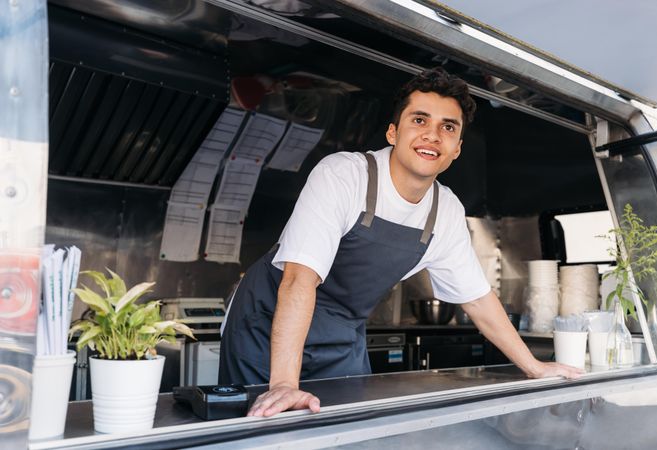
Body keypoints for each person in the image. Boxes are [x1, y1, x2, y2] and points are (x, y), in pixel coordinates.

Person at [219, 67, 583, 418]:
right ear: (393, 133)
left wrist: (535, 367)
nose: (432, 135)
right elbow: (299, 280)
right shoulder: (344, 175)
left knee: (348, 434)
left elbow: (477, 298)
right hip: (266, 328)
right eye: (419, 120)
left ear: (456, 148)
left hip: (342, 334)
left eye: (448, 127)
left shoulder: (445, 210)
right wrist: (284, 382)